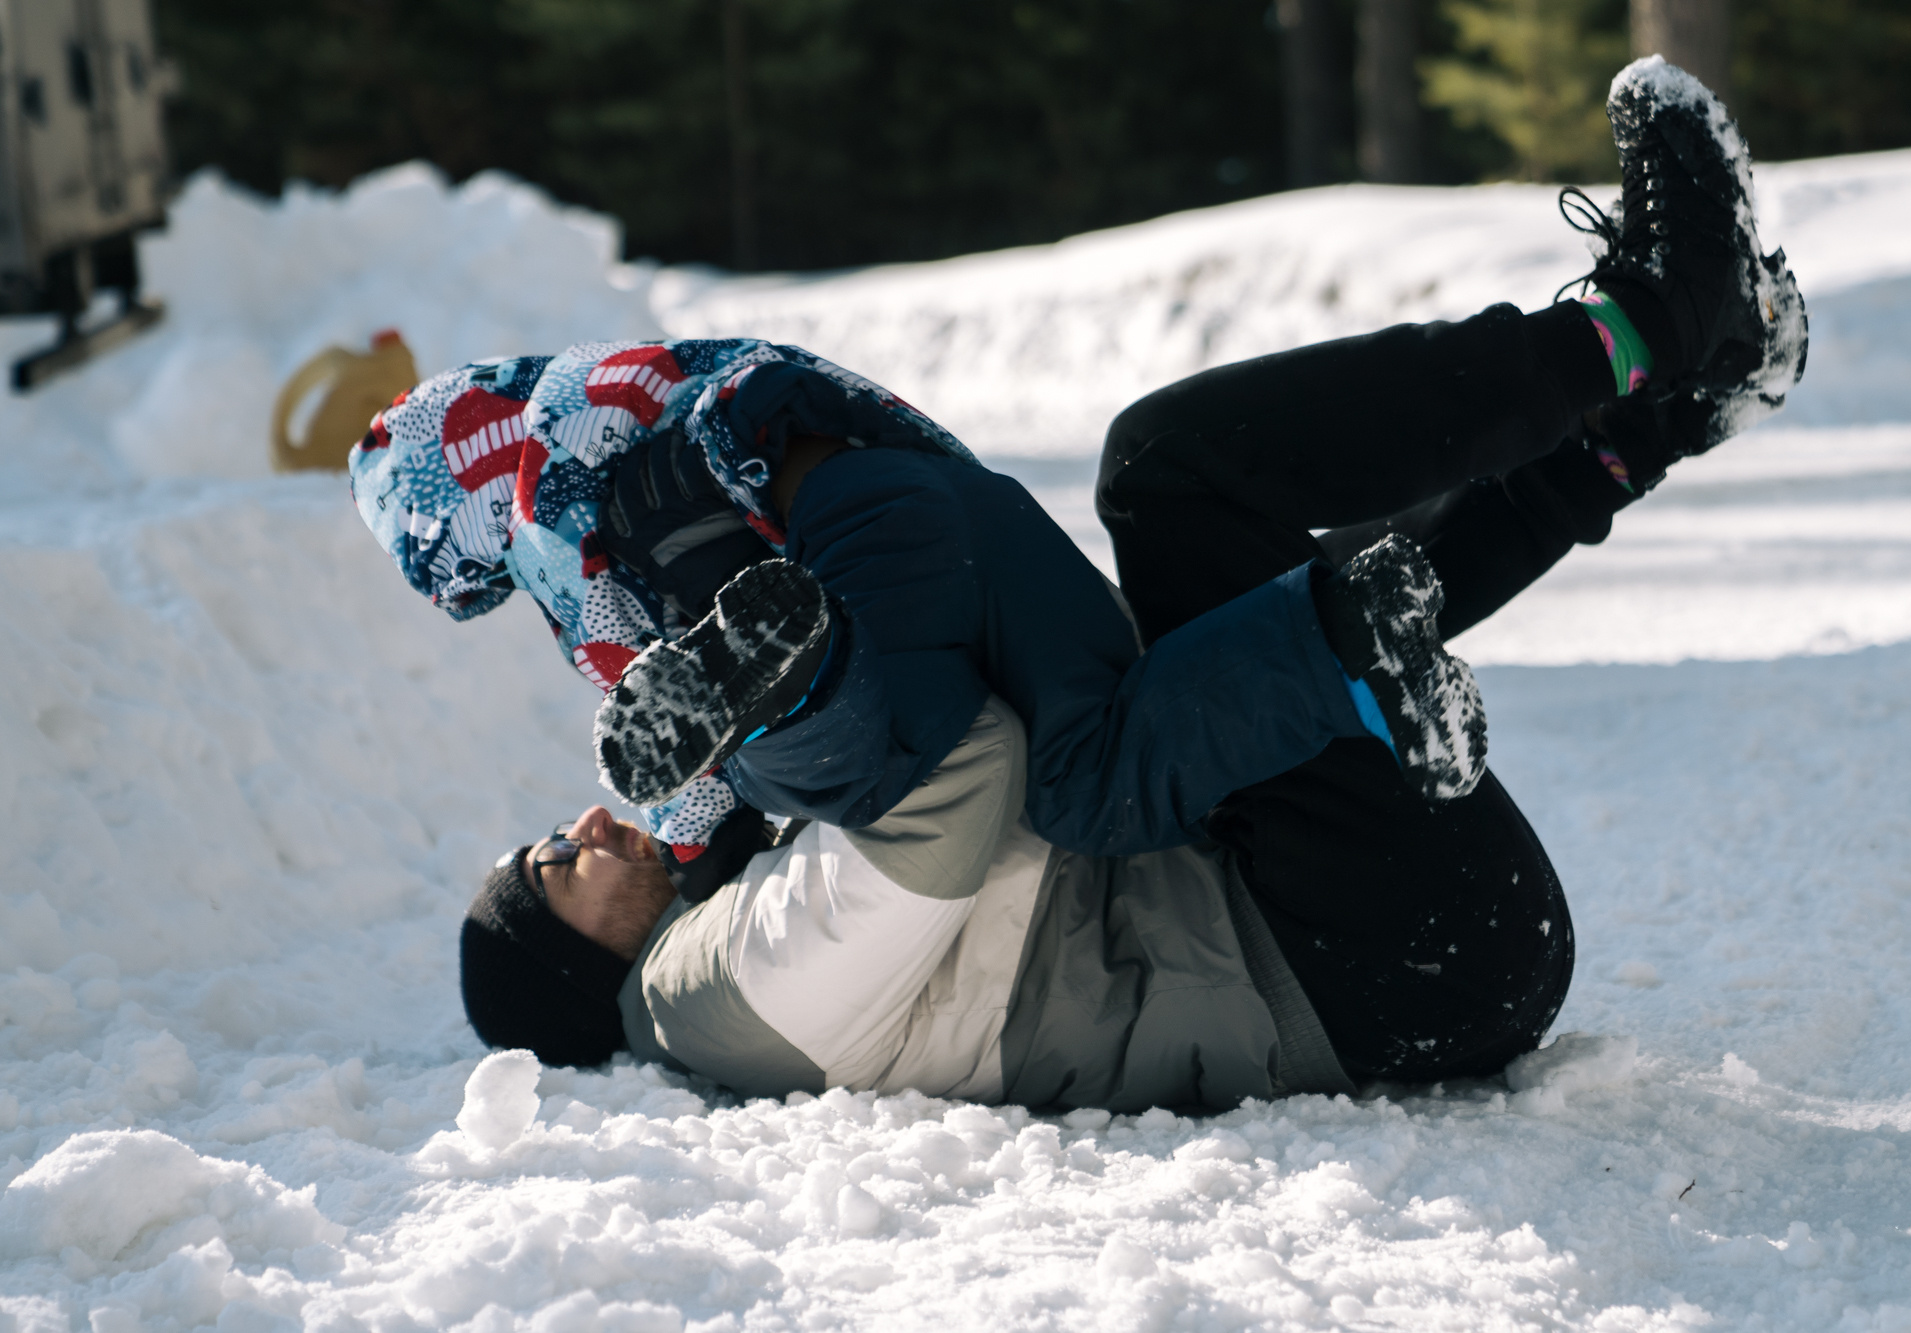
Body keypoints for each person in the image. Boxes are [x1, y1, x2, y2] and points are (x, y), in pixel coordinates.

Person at [450, 60, 1807, 1102]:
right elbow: (958, 793)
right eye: (553, 869)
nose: (580, 826)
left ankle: (1658, 403)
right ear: (575, 966)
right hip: (1372, 962)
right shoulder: (711, 996)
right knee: (1174, 509)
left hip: (1372, 924)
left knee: (1209, 544)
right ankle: (1654, 321)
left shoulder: (719, 920)